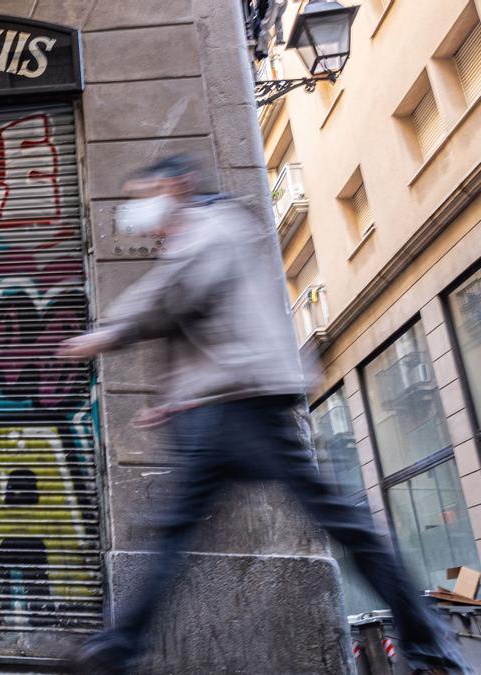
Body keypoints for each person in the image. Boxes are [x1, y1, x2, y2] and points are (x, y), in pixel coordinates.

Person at [57, 155, 468, 674]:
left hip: (241, 408)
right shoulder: (210, 230)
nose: (143, 210)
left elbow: (177, 292)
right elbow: (213, 327)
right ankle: (115, 647)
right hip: (222, 406)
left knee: (333, 523)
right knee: (187, 529)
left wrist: (107, 332)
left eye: (148, 195)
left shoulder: (212, 227)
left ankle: (431, 648)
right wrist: (173, 399)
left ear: (178, 187)